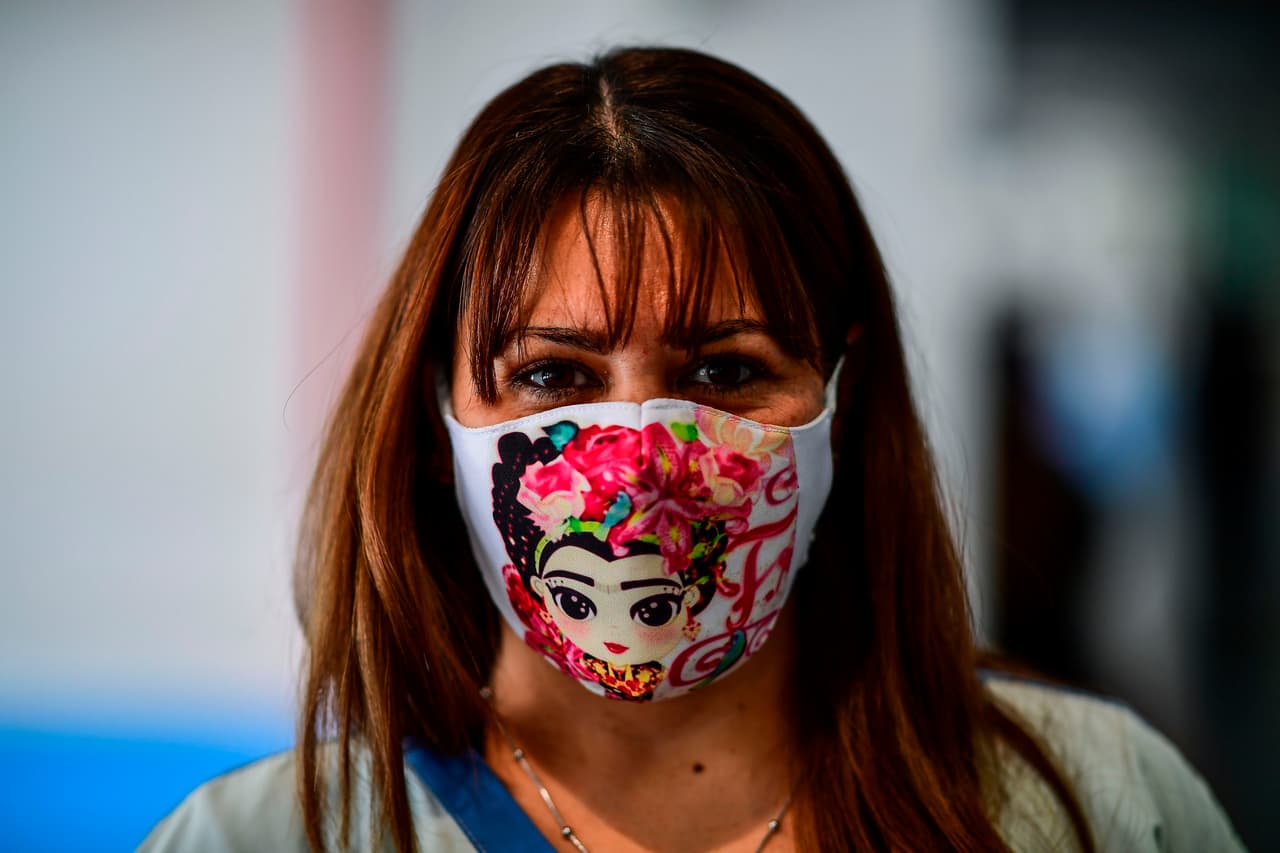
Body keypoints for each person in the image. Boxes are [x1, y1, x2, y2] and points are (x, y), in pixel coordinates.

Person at [142, 46, 1241, 852]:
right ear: (435, 426)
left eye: (722, 371)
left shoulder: (1096, 806)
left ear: (841, 404)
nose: (640, 465)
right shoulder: (257, 839)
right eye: (552, 376)